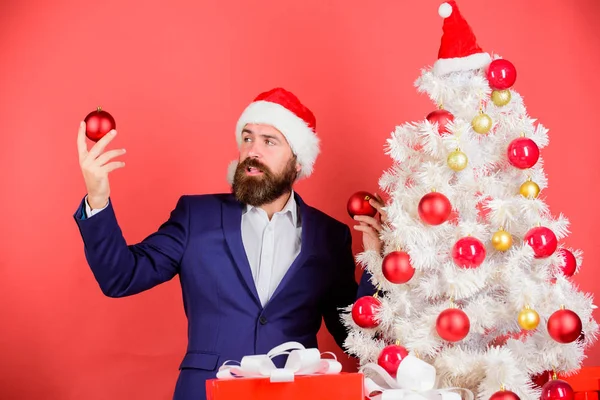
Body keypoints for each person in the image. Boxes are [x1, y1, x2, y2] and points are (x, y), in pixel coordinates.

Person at [73, 87, 382, 400]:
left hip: (296, 394)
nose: (252, 151)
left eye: (269, 141)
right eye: (247, 138)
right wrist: (97, 199)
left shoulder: (329, 235)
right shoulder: (196, 216)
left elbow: (353, 339)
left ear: (297, 162)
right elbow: (120, 277)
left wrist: (374, 263)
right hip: (207, 392)